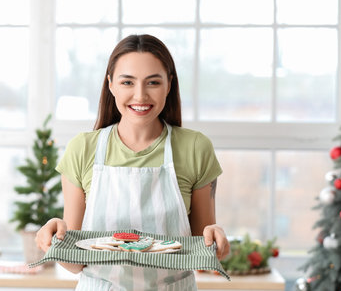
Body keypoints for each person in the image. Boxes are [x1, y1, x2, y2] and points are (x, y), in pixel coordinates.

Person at [35, 34, 230, 290]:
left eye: (153, 82)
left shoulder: (195, 148)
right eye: (128, 82)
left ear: (169, 85)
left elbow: (201, 255)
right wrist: (55, 241)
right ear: (111, 84)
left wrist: (217, 243)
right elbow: (76, 262)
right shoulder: (82, 149)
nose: (140, 95)